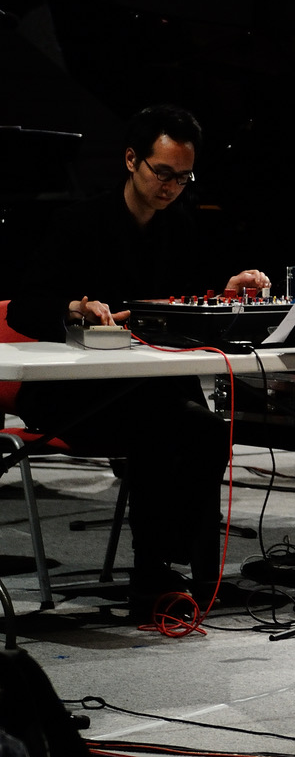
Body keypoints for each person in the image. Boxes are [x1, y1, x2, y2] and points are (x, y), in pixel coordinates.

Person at [5, 104, 270, 616]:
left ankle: (193, 571)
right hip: (74, 393)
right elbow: (22, 307)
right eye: (162, 173)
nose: (171, 187)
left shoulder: (183, 227)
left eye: (184, 178)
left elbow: (190, 305)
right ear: (131, 160)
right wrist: (73, 308)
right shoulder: (77, 222)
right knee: (166, 426)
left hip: (152, 386)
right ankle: (152, 576)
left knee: (204, 428)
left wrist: (227, 291)